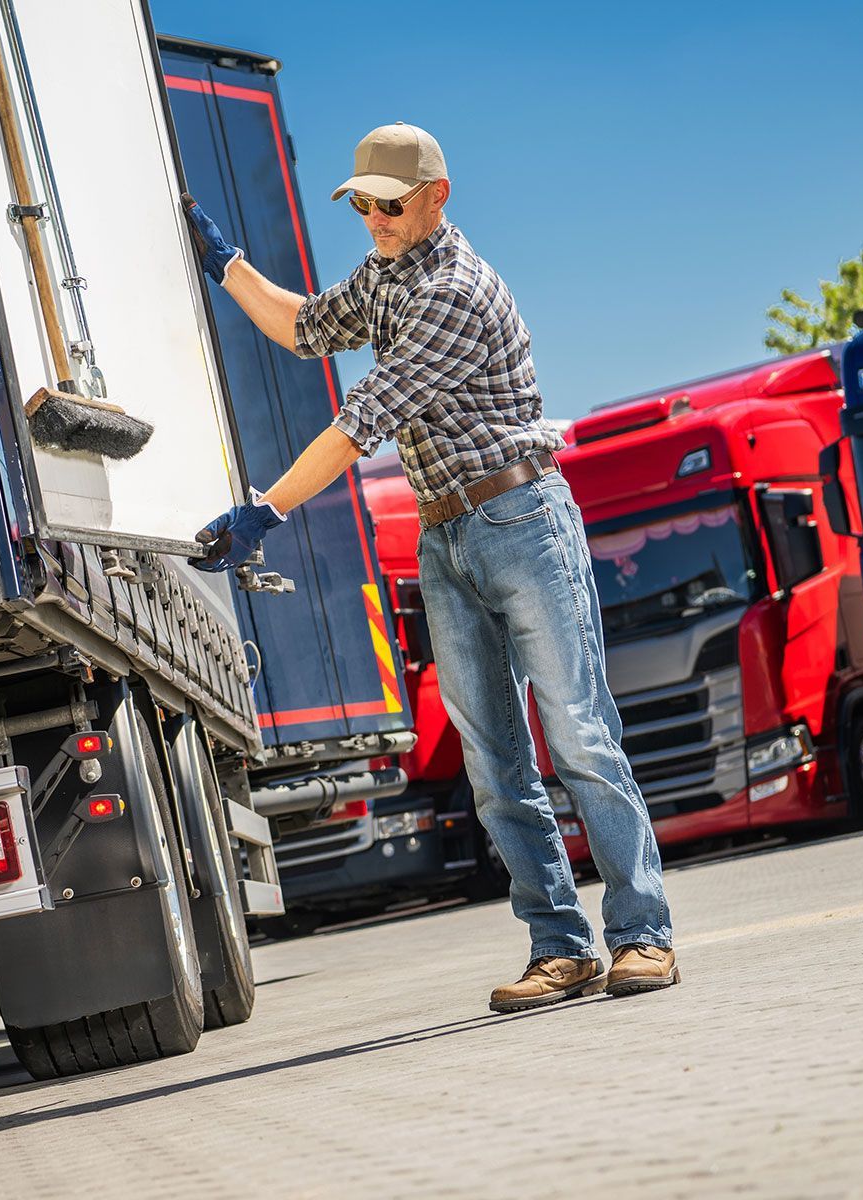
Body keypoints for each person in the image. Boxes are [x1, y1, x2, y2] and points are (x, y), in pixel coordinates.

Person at [184, 122, 677, 1012]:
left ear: (436, 197)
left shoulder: (454, 291)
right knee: (493, 760)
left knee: (578, 735)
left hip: (521, 518)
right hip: (447, 536)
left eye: (388, 202)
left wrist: (265, 509)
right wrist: (224, 262)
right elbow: (304, 329)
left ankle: (643, 936)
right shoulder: (385, 276)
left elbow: (358, 419)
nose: (371, 216)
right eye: (361, 202)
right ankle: (560, 947)